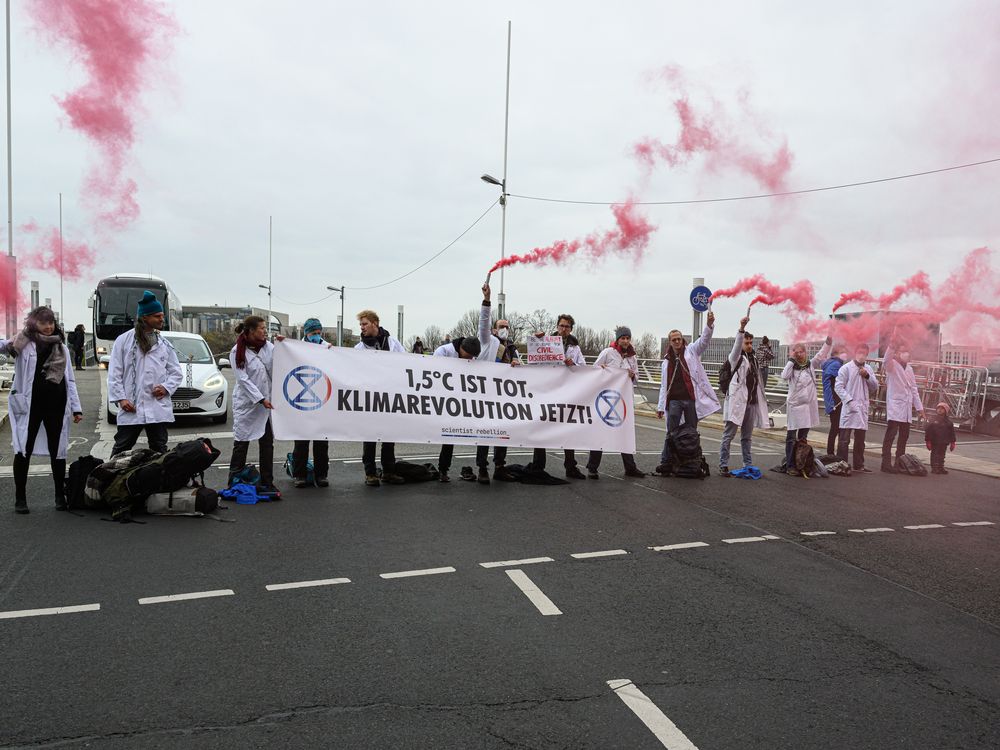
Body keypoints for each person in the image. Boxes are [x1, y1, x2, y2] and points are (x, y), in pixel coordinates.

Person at [1, 307, 83, 513]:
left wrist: (76, 408)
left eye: (51, 323)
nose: (48, 327)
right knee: (23, 449)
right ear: (33, 323)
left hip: (56, 404)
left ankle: (59, 496)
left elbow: (69, 380)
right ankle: (20, 497)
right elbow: (3, 348)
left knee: (58, 450)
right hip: (30, 405)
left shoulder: (61, 347)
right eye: (43, 323)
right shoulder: (23, 343)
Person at [107, 291, 182, 457]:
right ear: (145, 318)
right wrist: (121, 398)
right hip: (131, 406)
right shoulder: (124, 341)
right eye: (157, 316)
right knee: (122, 447)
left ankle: (159, 482)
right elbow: (114, 373)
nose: (162, 319)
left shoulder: (164, 344)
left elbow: (176, 373)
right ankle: (107, 480)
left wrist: (165, 387)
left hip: (157, 408)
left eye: (162, 315)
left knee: (159, 449)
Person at [655, 312, 720, 475]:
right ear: (670, 342)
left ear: (682, 340)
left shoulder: (691, 351)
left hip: (690, 400)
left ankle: (690, 462)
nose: (677, 341)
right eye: (674, 339)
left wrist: (709, 325)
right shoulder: (666, 361)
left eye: (679, 338)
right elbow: (664, 386)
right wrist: (661, 406)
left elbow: (704, 341)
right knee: (671, 433)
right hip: (674, 401)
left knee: (691, 432)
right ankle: (666, 462)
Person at [526, 314, 587, 478]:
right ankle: (538, 464)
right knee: (542, 426)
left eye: (567, 326)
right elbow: (534, 358)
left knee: (568, 427)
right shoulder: (547, 341)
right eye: (561, 325)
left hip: (567, 391)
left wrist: (572, 364)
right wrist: (536, 338)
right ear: (557, 326)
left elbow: (583, 367)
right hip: (547, 390)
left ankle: (570, 466)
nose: (564, 329)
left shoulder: (575, 347)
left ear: (571, 329)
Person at [475, 284, 522, 482]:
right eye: (501, 326)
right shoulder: (487, 340)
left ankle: (500, 466)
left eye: (506, 327)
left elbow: (522, 370)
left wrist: (516, 365)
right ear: (494, 329)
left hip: (504, 397)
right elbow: (483, 321)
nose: (504, 329)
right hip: (486, 393)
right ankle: (482, 468)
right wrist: (487, 300)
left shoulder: (512, 348)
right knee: (485, 431)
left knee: (503, 432)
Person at [355, 309, 406, 486]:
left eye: (364, 324)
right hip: (370, 398)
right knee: (370, 436)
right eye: (360, 325)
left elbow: (406, 364)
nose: (362, 328)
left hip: (390, 396)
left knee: (389, 435)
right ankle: (370, 473)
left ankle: (389, 471)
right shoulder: (359, 348)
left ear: (375, 323)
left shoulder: (392, 343)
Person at [587, 327, 646, 479]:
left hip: (623, 401)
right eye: (623, 338)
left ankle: (630, 467)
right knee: (600, 432)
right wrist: (603, 369)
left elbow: (637, 377)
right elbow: (594, 370)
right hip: (606, 399)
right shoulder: (608, 352)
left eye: (628, 338)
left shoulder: (632, 357)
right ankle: (592, 467)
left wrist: (632, 375)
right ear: (618, 339)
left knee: (624, 433)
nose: (625, 341)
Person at [229, 316, 279, 492]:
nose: (265, 331)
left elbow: (280, 367)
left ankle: (267, 481)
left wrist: (284, 346)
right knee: (241, 442)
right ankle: (234, 479)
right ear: (250, 331)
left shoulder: (270, 348)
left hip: (266, 403)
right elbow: (243, 379)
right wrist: (260, 399)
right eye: (262, 328)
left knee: (266, 443)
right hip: (248, 404)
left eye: (266, 328)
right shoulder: (237, 352)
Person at [718, 317, 768, 477]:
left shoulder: (753, 359)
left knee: (747, 437)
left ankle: (747, 464)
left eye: (751, 343)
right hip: (738, 403)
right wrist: (741, 327)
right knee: (729, 434)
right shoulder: (735, 358)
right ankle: (723, 464)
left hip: (751, 403)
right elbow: (736, 346)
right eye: (746, 343)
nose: (749, 346)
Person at [779, 338, 832, 475]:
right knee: (791, 437)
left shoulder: (810, 365)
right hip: (795, 406)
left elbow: (820, 355)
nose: (800, 354)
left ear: (805, 352)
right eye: (797, 352)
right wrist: (791, 360)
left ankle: (800, 462)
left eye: (802, 351)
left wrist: (828, 343)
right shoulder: (792, 368)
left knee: (803, 437)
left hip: (808, 407)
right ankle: (790, 465)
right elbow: (784, 376)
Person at [433, 335, 483, 482]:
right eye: (466, 357)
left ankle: (480, 467)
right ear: (461, 348)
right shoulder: (443, 351)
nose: (468, 360)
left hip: (462, 399)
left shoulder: (471, 357)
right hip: (443, 398)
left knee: (454, 434)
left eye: (471, 358)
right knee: (448, 436)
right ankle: (443, 469)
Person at [291, 318, 330, 488]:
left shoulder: (327, 347)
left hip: (321, 398)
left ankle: (321, 474)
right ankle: (299, 474)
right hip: (303, 399)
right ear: (306, 333)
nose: (317, 336)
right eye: (314, 333)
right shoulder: (295, 349)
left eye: (319, 333)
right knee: (301, 440)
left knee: (321, 439)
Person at [880, 339, 924, 473]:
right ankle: (886, 463)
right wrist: (891, 346)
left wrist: (919, 408)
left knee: (904, 437)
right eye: (903, 351)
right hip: (895, 406)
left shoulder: (909, 369)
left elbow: (914, 389)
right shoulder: (891, 365)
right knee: (890, 436)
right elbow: (885, 360)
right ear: (897, 353)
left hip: (906, 408)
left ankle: (900, 462)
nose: (906, 354)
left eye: (907, 352)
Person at [834, 343, 878, 472]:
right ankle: (842, 463)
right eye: (860, 352)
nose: (862, 355)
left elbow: (875, 387)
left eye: (864, 353)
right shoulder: (846, 368)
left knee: (860, 439)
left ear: (867, 354)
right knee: (844, 439)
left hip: (862, 407)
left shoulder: (869, 369)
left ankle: (859, 464)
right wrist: (849, 400)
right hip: (849, 406)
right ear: (855, 352)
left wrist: (867, 376)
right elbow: (838, 387)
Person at [821, 345, 848, 457]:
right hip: (836, 401)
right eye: (842, 351)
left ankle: (831, 452)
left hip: (831, 400)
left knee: (834, 428)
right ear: (836, 353)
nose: (845, 354)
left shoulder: (829, 364)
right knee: (838, 428)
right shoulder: (836, 365)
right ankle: (832, 453)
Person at [924, 402, 956, 474]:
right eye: (938, 408)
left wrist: (953, 442)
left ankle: (941, 467)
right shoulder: (932, 420)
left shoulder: (949, 422)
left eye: (942, 408)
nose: (940, 410)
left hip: (944, 442)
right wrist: (928, 441)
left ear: (946, 410)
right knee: (935, 454)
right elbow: (928, 431)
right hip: (935, 441)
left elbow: (952, 433)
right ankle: (934, 468)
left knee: (942, 455)